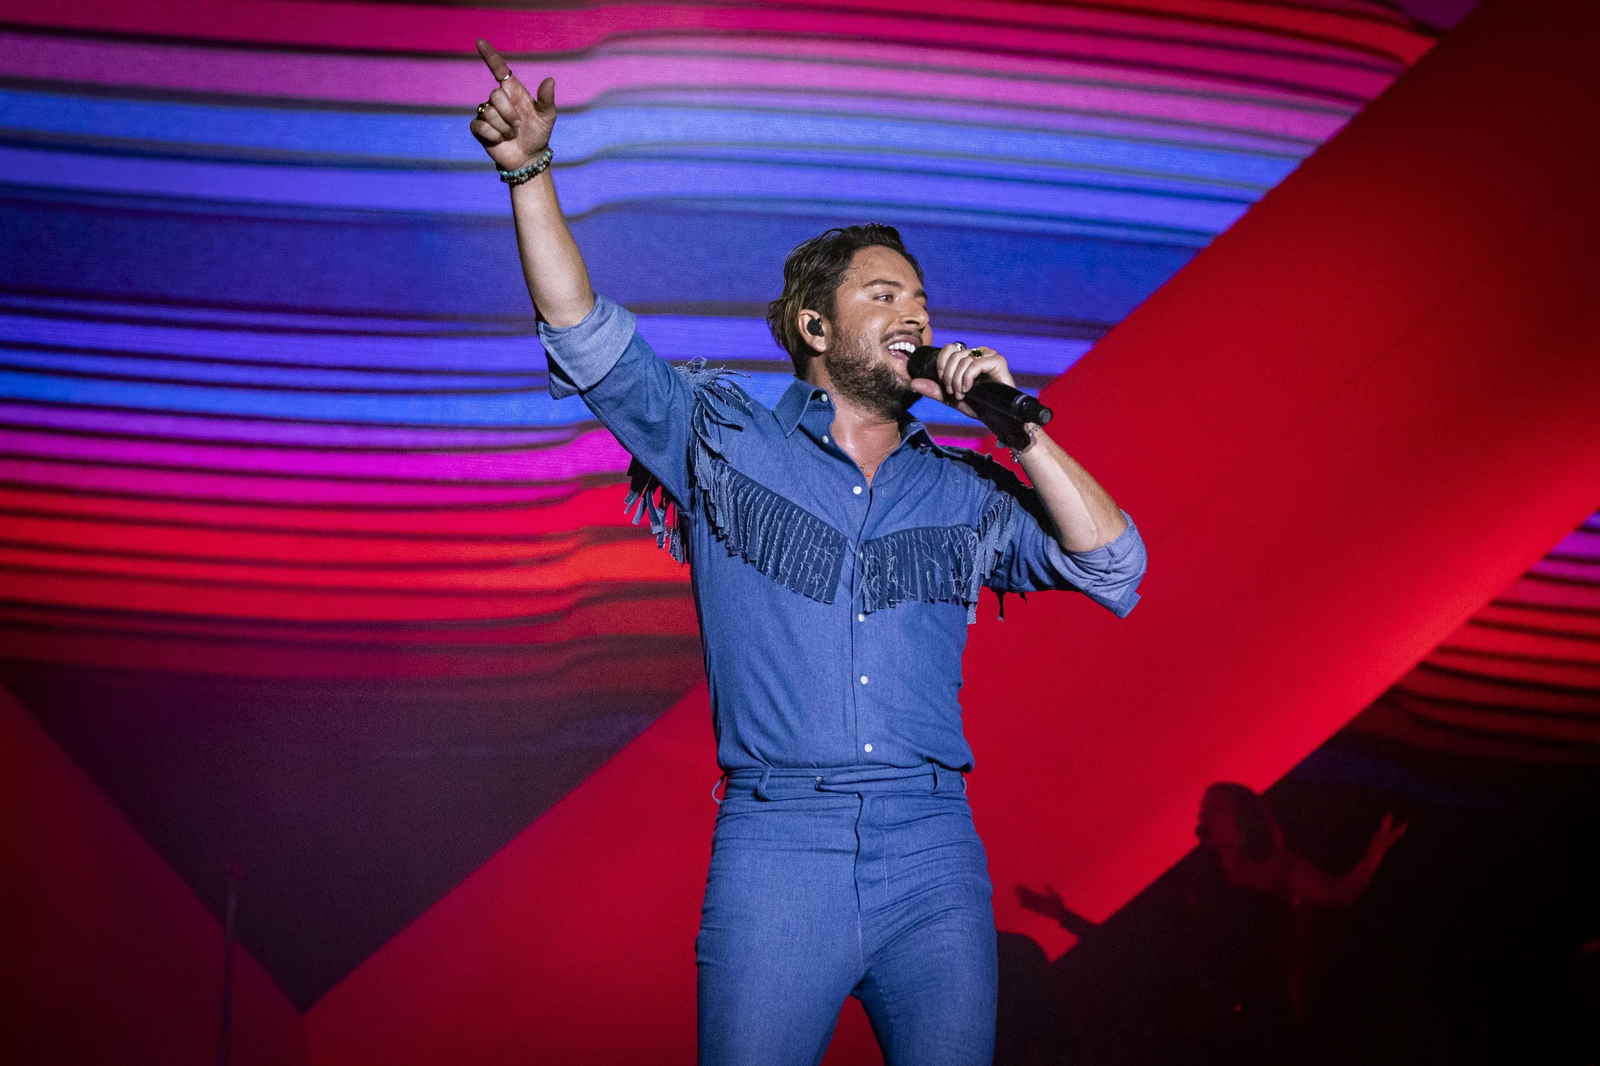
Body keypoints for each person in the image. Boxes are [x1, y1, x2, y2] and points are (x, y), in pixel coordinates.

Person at [468, 39, 1147, 1066]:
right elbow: (583, 334)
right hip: (780, 844)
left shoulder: (964, 490)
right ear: (814, 326)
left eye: (919, 300)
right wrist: (529, 173)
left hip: (934, 849)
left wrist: (1018, 429)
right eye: (883, 295)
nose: (913, 314)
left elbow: (1113, 564)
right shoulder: (721, 438)